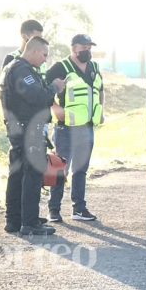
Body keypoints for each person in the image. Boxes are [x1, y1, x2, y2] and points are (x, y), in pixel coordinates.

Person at [0, 36, 67, 235]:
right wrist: (55, 86)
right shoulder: (22, 70)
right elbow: (37, 96)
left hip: (18, 129)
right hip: (29, 130)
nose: (45, 59)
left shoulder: (11, 68)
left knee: (17, 175)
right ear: (34, 51)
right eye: (44, 55)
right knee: (33, 176)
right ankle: (29, 222)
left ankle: (14, 220)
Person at [45, 34, 104, 223]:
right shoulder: (61, 67)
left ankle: (79, 208)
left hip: (87, 127)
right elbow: (42, 89)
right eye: (83, 47)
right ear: (73, 48)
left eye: (89, 47)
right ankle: (53, 209)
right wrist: (54, 107)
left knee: (81, 169)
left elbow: (100, 89)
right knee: (60, 168)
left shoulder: (94, 67)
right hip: (66, 127)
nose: (87, 51)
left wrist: (101, 110)